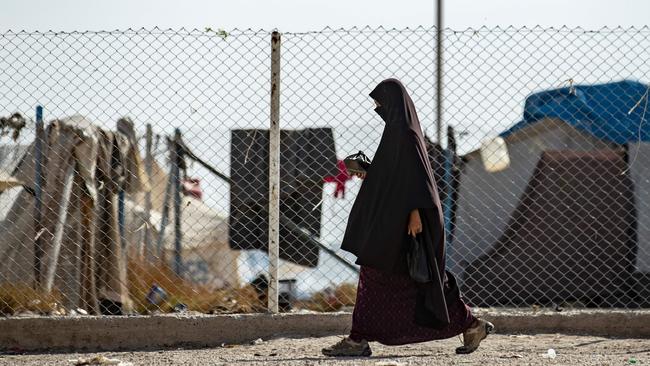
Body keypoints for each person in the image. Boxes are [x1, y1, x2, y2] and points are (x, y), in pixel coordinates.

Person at [322, 79, 493, 357]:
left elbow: (416, 178)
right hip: (396, 217)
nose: (377, 108)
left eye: (380, 103)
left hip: (409, 220)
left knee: (394, 274)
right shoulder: (398, 131)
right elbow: (397, 175)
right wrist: (369, 172)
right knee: (407, 278)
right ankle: (471, 325)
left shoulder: (405, 133)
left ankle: (358, 339)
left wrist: (414, 213)